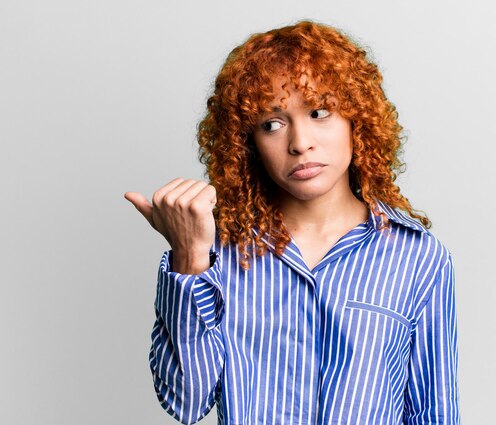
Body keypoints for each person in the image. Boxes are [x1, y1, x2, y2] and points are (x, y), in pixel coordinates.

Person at [124, 20, 459, 425]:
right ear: (248, 143)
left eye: (320, 112)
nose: (300, 143)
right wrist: (189, 256)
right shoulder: (219, 253)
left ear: (358, 120)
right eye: (272, 124)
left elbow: (433, 413)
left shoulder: (418, 257)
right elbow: (185, 403)